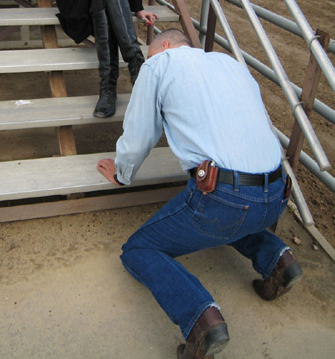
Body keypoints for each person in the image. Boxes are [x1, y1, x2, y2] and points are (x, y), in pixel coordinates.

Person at [97, 29, 303, 358]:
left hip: (225, 200)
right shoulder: (230, 63)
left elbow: (140, 132)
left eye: (152, 54)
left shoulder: (158, 64)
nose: (151, 59)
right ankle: (279, 260)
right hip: (278, 191)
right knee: (233, 216)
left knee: (138, 249)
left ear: (163, 47)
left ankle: (201, 320)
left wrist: (122, 174)